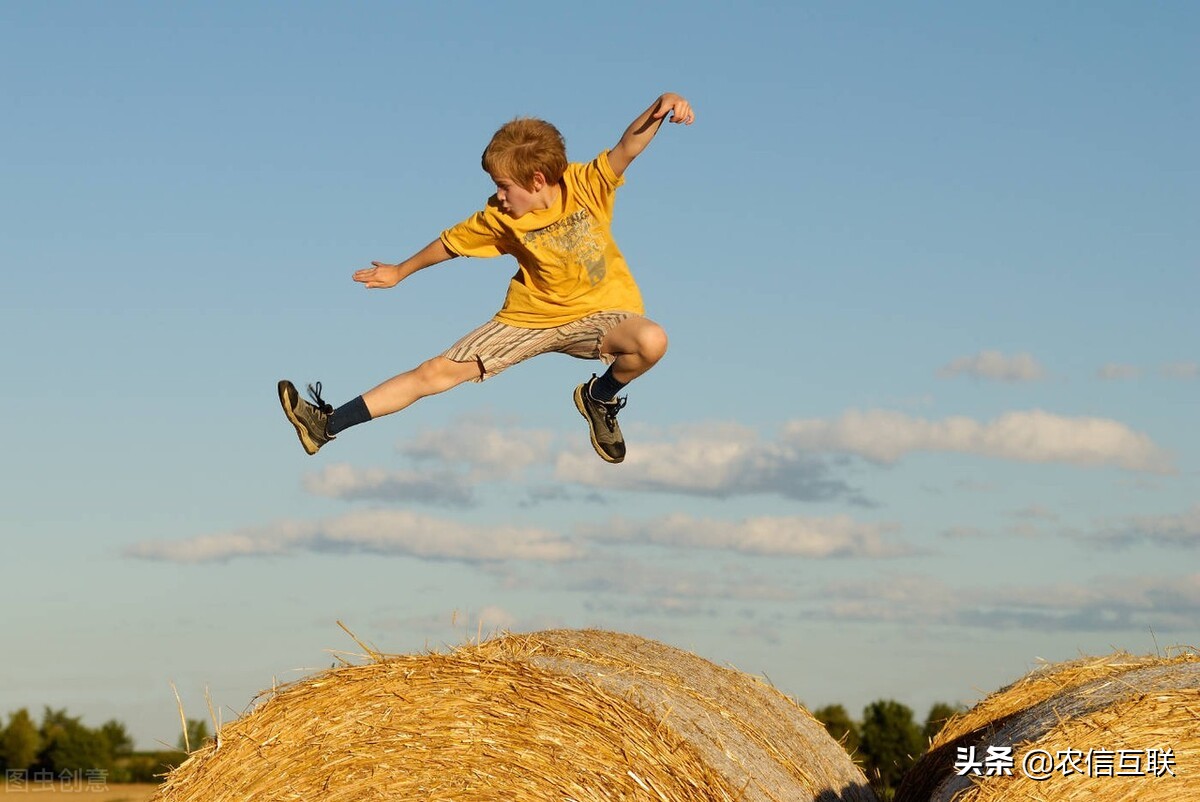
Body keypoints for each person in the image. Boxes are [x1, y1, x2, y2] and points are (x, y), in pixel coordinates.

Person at [279, 92, 695, 464]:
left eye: (503, 186)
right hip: (530, 319)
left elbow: (629, 146)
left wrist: (663, 104)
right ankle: (325, 425)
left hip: (602, 315)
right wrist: (400, 272)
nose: (498, 195)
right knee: (434, 372)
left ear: (536, 180)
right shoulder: (499, 219)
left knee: (652, 340)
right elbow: (449, 244)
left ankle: (598, 398)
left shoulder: (585, 185)